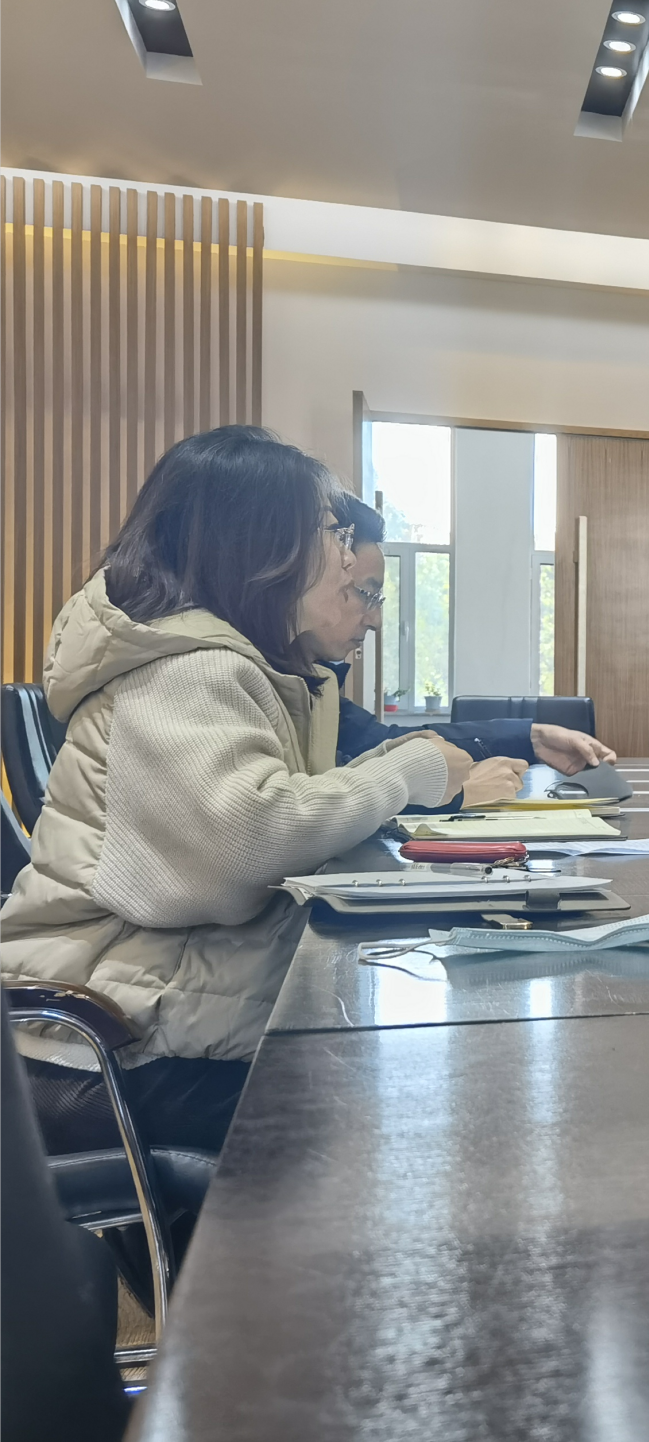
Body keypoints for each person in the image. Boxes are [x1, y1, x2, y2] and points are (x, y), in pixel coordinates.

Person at [1, 426, 470, 1155]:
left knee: (410, 1066)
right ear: (262, 541)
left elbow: (275, 814)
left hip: (158, 1007)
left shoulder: (236, 666)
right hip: (104, 1046)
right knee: (411, 1107)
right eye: (333, 532)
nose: (347, 557)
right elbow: (253, 844)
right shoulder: (184, 670)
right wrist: (408, 770)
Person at [328, 493, 617, 784]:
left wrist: (534, 738)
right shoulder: (303, 686)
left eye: (377, 599)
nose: (376, 621)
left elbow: (382, 744)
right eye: (366, 594)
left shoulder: (320, 686)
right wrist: (460, 794)